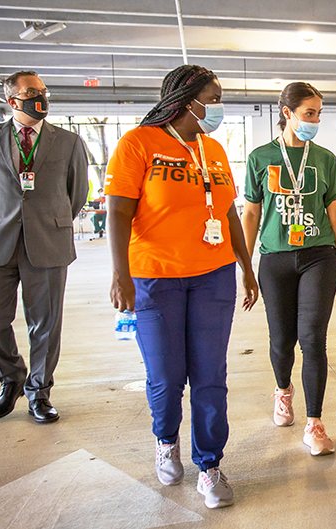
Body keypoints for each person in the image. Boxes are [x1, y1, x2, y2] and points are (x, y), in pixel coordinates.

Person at [105, 65, 258, 508]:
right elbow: (117, 212)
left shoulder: (212, 148)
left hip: (213, 277)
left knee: (210, 376)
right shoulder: (138, 143)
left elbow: (227, 214)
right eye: (213, 97)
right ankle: (165, 439)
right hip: (155, 278)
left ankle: (209, 465)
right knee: (167, 376)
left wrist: (246, 268)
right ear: (188, 99)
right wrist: (121, 274)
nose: (218, 106)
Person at [0, 70, 88, 424]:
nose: (42, 97)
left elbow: (76, 194)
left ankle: (39, 391)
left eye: (44, 91)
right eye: (33, 91)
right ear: (12, 100)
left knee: (46, 324)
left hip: (47, 243)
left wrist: (48, 220)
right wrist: (1, 219)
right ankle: (11, 378)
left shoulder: (68, 142)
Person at [242, 82, 336, 457]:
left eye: (319, 114)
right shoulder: (260, 158)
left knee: (313, 339)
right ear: (287, 113)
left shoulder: (324, 159)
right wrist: (244, 263)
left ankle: (315, 422)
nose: (316, 120)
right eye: (309, 113)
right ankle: (283, 390)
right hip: (274, 259)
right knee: (281, 341)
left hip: (317, 255)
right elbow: (252, 212)